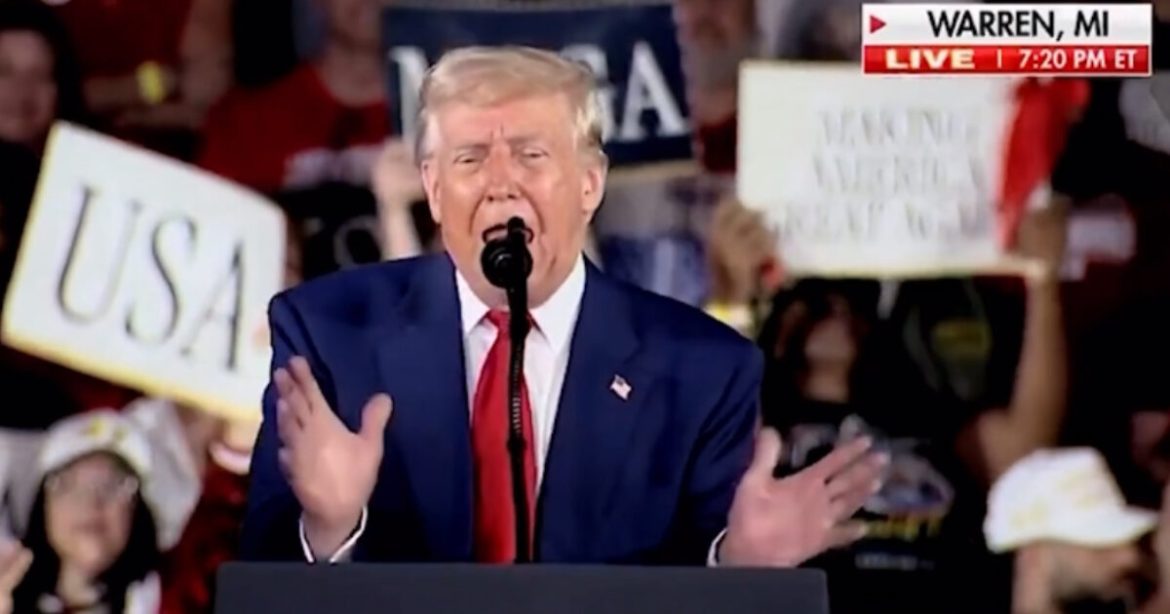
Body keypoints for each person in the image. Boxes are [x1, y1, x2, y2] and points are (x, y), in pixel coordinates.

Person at [241, 45, 887, 566]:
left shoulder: (705, 368)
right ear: (433, 190)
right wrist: (331, 528)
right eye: (470, 159)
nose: (501, 183)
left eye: (531, 155)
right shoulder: (327, 334)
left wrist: (737, 562)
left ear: (589, 183)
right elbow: (259, 584)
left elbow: (701, 585)